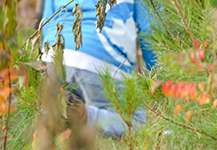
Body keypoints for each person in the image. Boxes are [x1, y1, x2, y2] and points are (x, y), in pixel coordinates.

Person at [40, 0, 156, 138]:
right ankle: (85, 115)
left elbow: (46, 24)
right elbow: (151, 33)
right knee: (139, 121)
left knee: (53, 121)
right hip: (102, 62)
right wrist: (157, 76)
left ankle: (65, 118)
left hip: (54, 56)